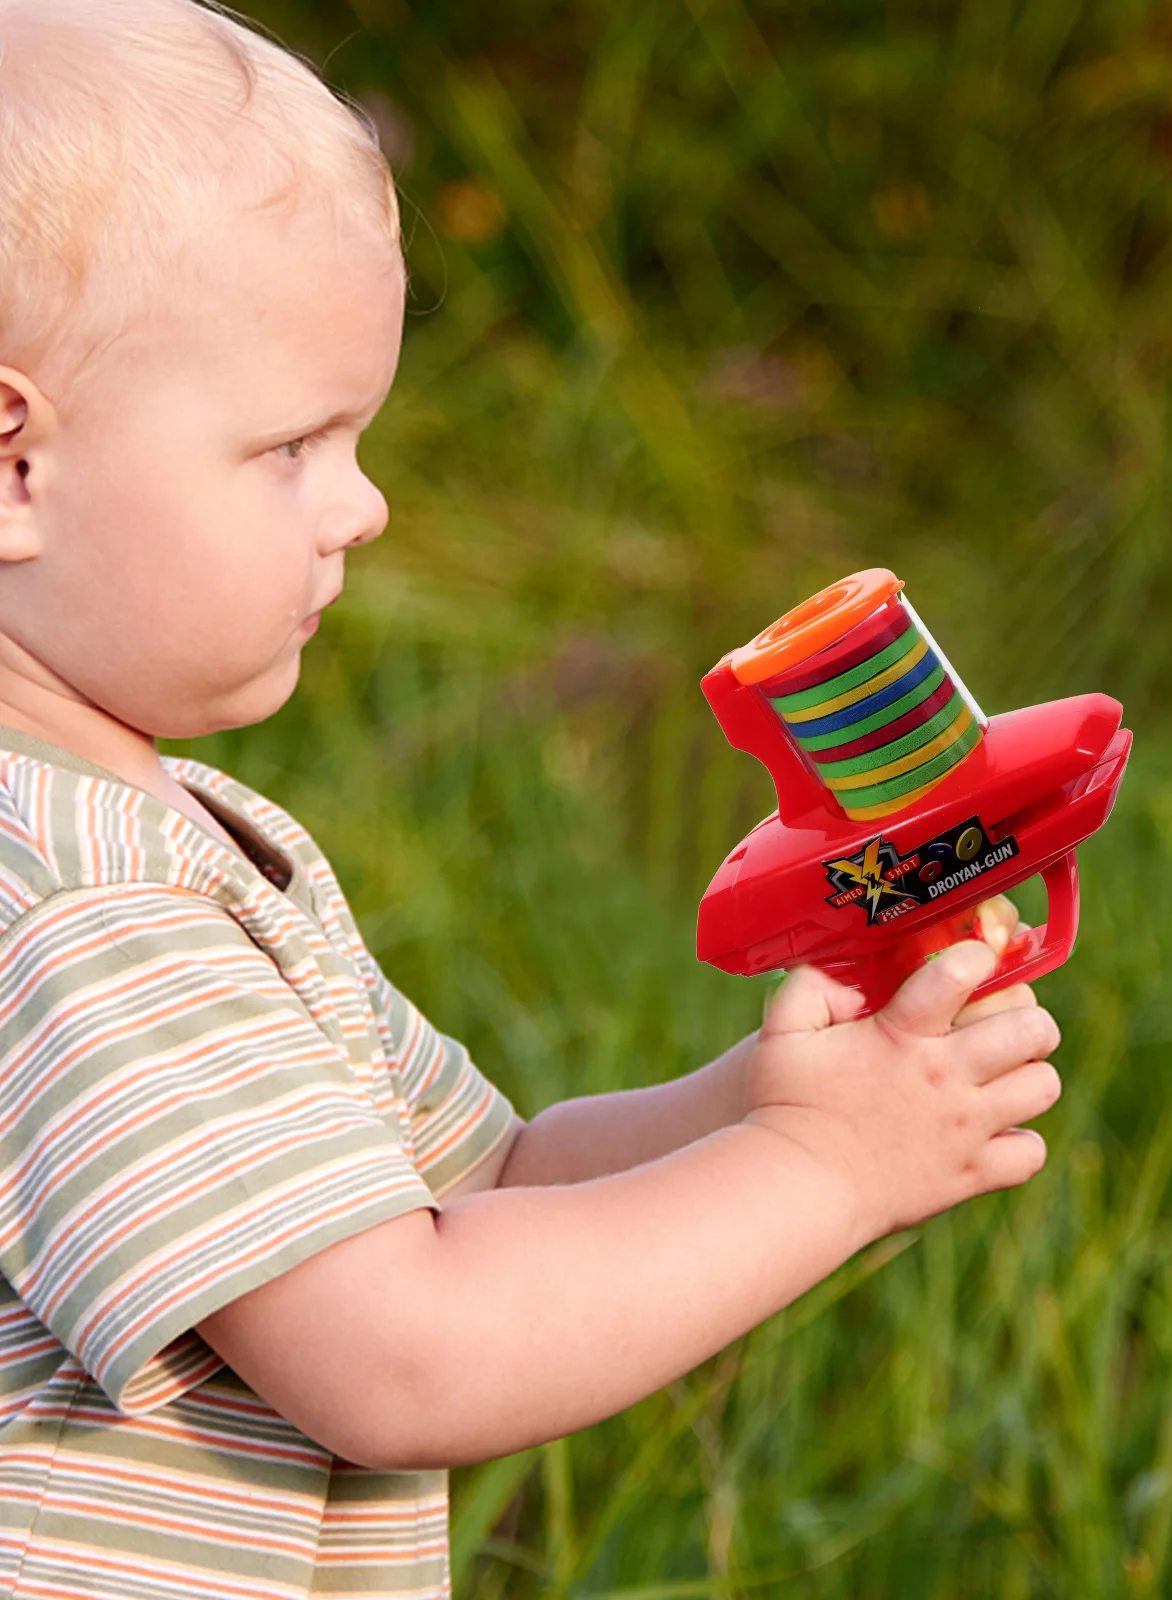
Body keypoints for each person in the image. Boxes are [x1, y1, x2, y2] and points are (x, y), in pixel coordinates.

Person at [0, 1, 1063, 1595]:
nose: (362, 506)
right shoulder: (90, 912)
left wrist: (774, 1101)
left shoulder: (165, 841)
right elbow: (407, 1355)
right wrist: (824, 1173)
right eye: (292, 445)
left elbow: (483, 1188)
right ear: (13, 464)